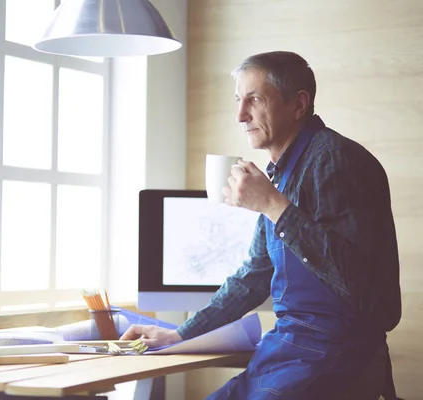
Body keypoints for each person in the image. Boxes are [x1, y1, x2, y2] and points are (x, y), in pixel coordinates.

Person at [121, 51, 402, 400]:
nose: (241, 115)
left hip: (335, 355)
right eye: (239, 100)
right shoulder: (281, 175)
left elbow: (363, 286)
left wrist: (272, 204)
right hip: (287, 350)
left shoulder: (335, 160)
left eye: (254, 99)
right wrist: (182, 334)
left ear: (298, 104)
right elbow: (252, 277)